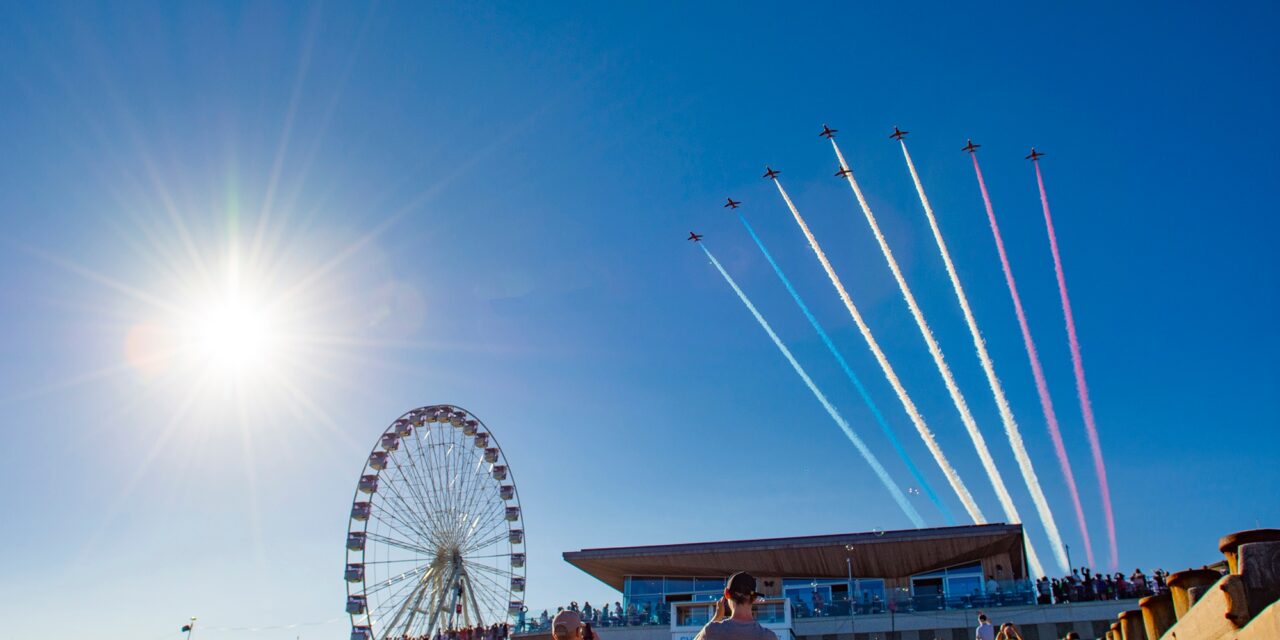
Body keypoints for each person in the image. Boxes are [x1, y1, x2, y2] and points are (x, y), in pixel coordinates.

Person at [693, 572, 778, 640]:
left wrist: (717, 617)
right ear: (754, 597)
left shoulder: (712, 631)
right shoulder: (769, 636)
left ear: (726, 593)